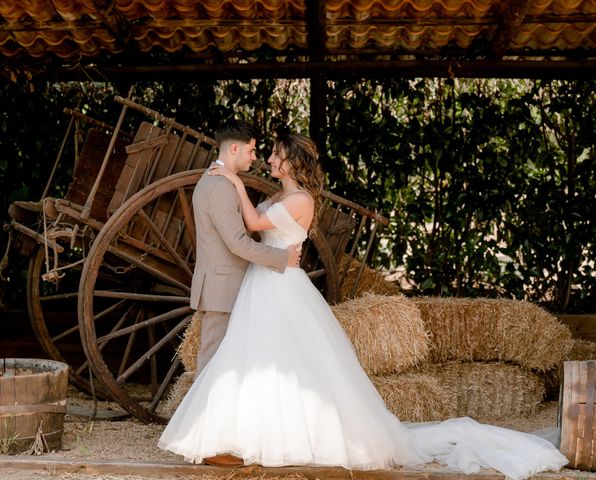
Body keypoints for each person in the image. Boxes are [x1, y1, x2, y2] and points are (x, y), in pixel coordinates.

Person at [159, 133, 568, 479]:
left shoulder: (300, 199)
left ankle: (283, 437)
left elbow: (252, 225)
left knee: (284, 361)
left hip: (280, 285)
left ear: (291, 163)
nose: (268, 159)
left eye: (275, 156)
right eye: (264, 154)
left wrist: (232, 182)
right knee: (260, 361)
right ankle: (245, 435)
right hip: (264, 283)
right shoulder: (281, 194)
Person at [190, 120, 300, 376]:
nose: (255, 157)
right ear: (235, 149)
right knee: (211, 367)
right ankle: (203, 416)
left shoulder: (220, 182)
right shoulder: (219, 187)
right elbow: (238, 243)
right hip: (222, 287)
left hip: (226, 285)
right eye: (251, 150)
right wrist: (283, 258)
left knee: (223, 366)